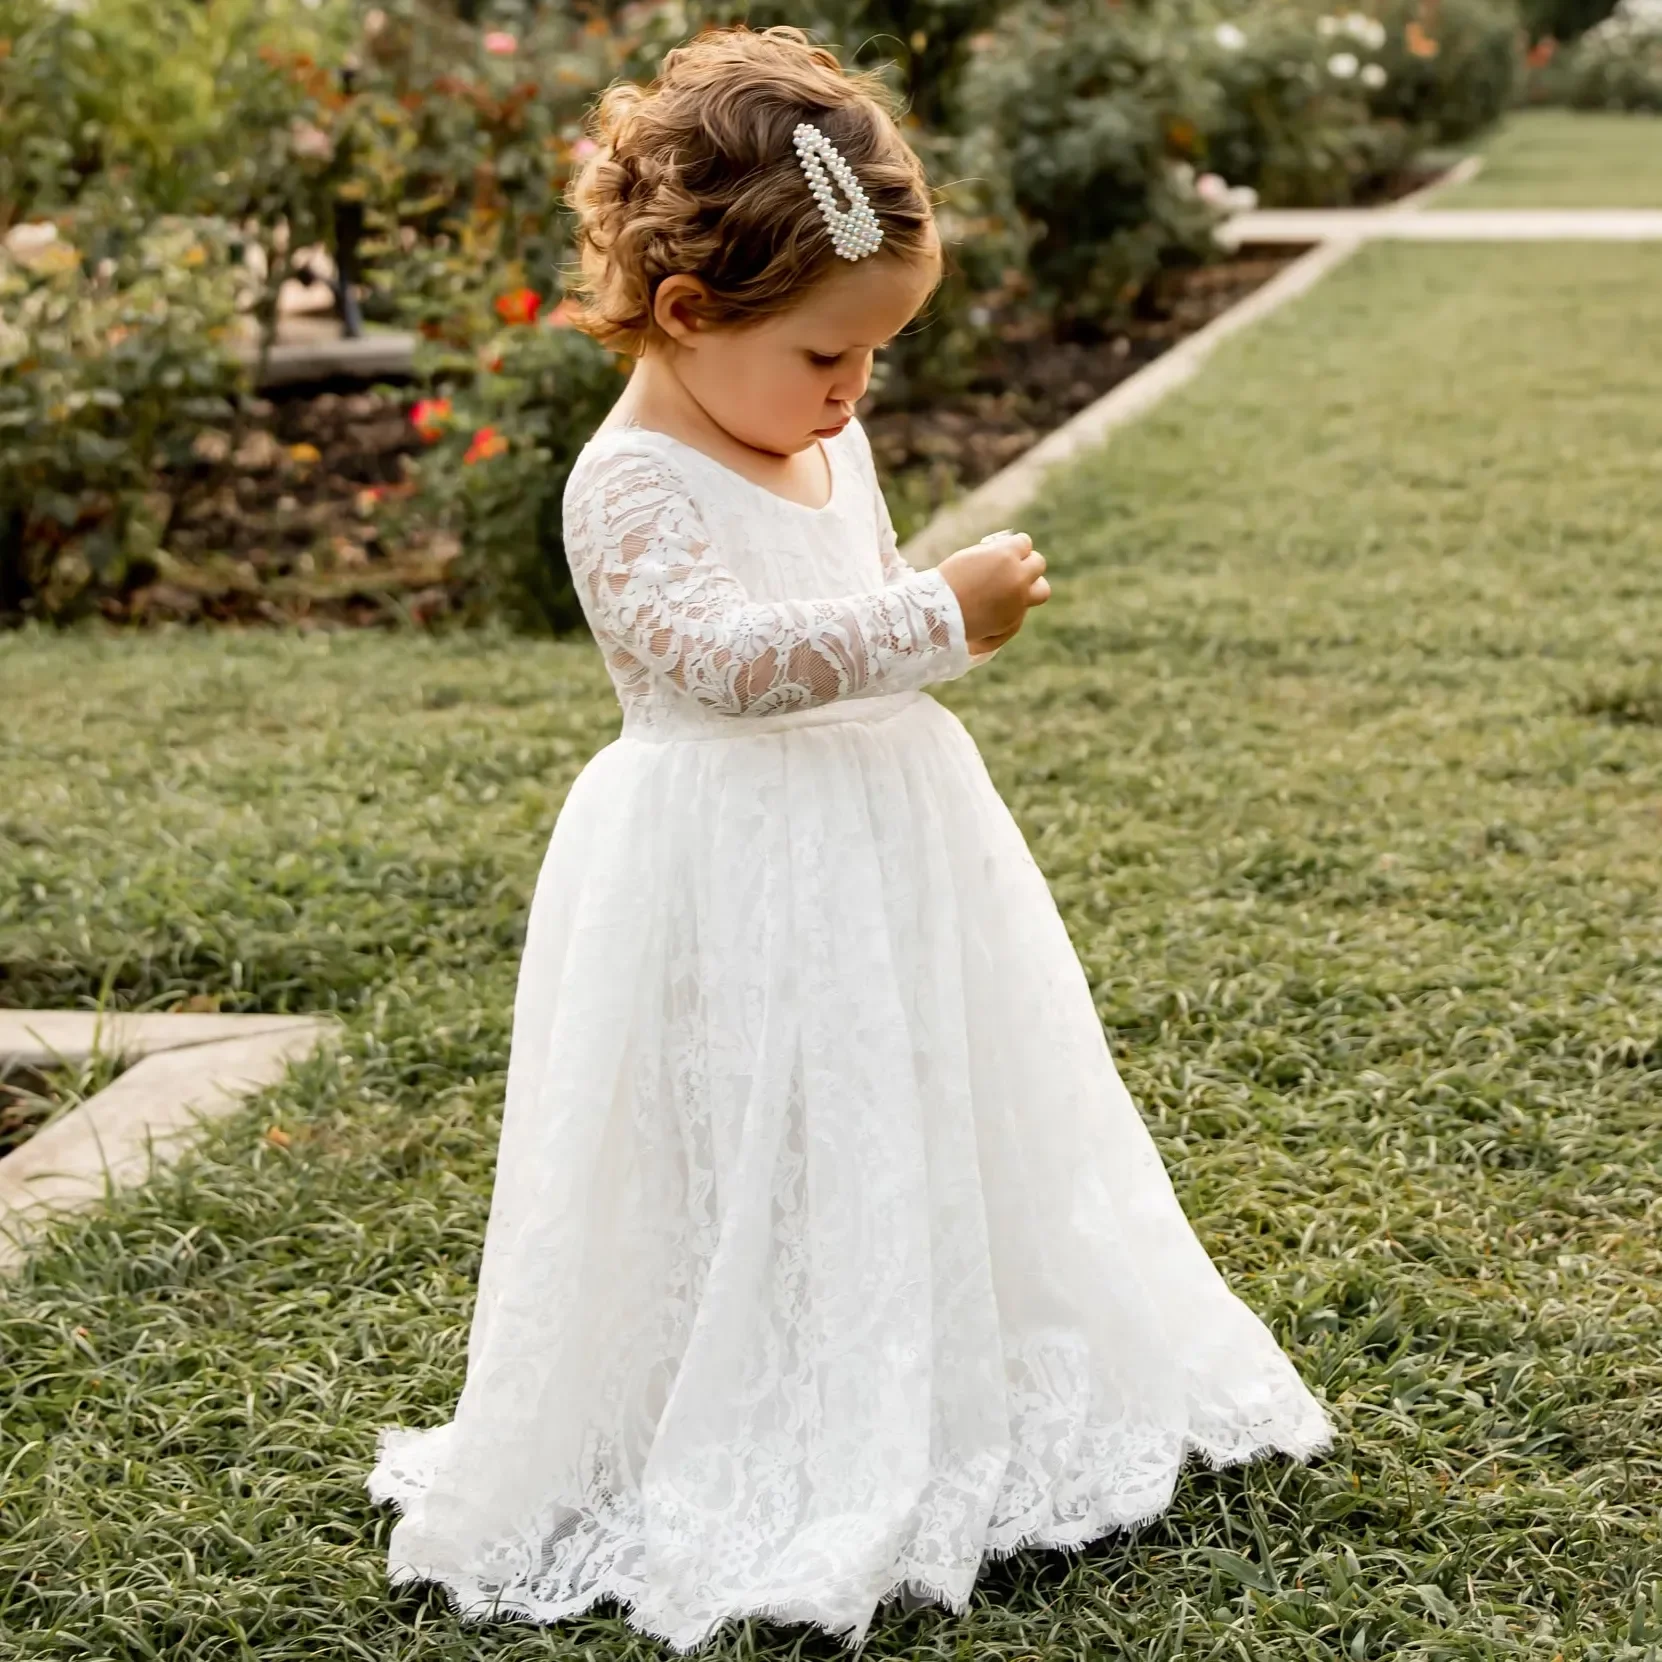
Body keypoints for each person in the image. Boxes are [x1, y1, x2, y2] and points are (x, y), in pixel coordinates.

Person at [366, 25, 1335, 1652]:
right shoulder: (626, 488)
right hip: (720, 864)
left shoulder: (820, 433)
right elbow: (723, 666)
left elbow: (828, 586)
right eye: (827, 355)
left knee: (891, 1104)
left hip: (876, 846)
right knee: (745, 1128)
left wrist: (897, 603)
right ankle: (746, 1397)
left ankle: (912, 1358)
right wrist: (932, 619)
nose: (852, 390)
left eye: (871, 357)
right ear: (687, 315)